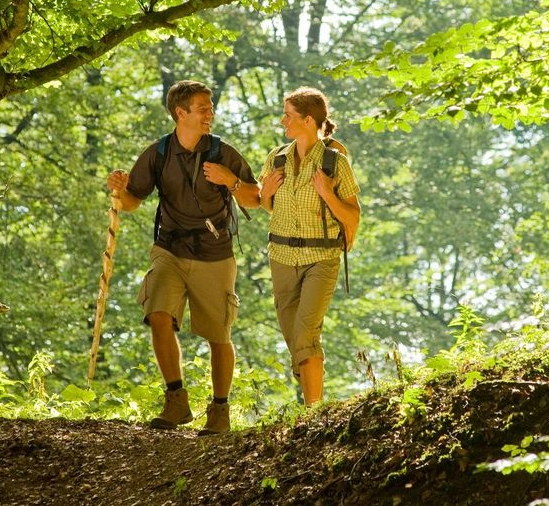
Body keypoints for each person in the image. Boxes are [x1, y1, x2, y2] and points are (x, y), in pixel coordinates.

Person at [106, 80, 260, 433]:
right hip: (169, 248)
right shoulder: (158, 153)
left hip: (214, 252)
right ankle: (176, 401)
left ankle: (219, 411)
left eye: (211, 107)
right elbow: (131, 202)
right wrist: (119, 188)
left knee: (218, 334)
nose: (211, 114)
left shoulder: (224, 153)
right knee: (158, 314)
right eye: (203, 108)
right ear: (181, 113)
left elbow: (255, 199)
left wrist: (230, 182)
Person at [258, 87, 361, 405]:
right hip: (282, 258)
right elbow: (271, 207)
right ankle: (311, 413)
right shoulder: (277, 158)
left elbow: (353, 217)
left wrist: (328, 193)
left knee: (305, 335)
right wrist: (265, 194)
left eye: (287, 115)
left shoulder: (335, 163)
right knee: (295, 340)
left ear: (307, 119)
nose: (282, 121)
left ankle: (314, 413)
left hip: (322, 258)